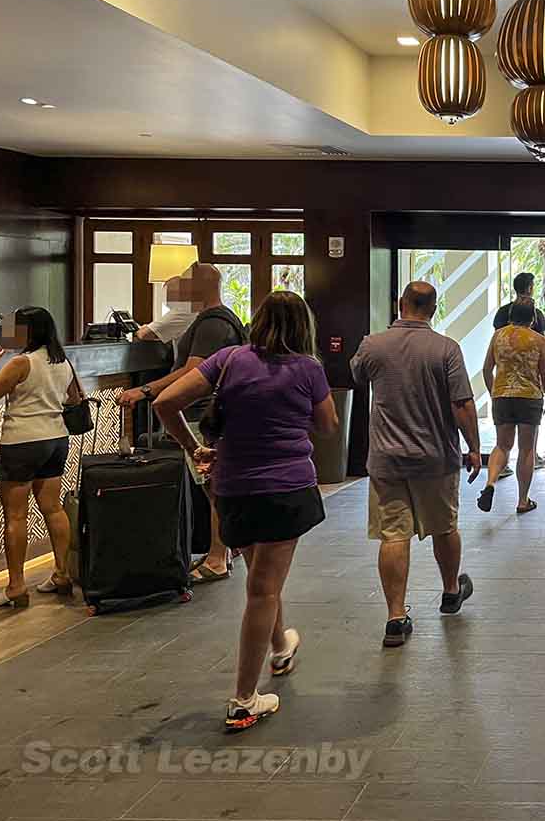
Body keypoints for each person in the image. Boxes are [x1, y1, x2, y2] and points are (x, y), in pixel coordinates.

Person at [155, 291, 338, 730]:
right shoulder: (307, 368)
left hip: (232, 489)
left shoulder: (228, 359)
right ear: (304, 327)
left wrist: (193, 447)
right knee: (262, 589)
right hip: (285, 488)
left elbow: (165, 402)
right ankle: (243, 698)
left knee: (262, 579)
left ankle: (281, 647)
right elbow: (329, 426)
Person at [350, 281, 482, 648]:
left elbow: (357, 376)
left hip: (387, 460)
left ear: (400, 304)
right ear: (434, 309)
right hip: (435, 458)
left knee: (393, 535)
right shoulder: (447, 349)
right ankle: (451, 591)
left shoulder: (372, 345)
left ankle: (395, 617)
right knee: (444, 527)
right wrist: (474, 447)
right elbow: (462, 404)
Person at [117, 263, 246, 584]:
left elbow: (192, 372)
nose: (179, 288)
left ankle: (218, 556)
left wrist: (145, 390)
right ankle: (226, 548)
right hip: (211, 413)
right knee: (215, 485)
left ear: (201, 286)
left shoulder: (212, 325)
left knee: (213, 486)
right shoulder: (221, 320)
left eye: (186, 282)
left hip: (199, 415)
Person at [0, 307, 81, 608]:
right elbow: (74, 399)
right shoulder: (61, 360)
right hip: (56, 439)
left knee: (16, 515)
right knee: (53, 509)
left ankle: (16, 587)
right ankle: (61, 574)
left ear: (28, 332)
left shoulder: (21, 362)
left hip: (21, 442)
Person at [478, 297, 545, 514]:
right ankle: (523, 500)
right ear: (532, 318)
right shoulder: (538, 340)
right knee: (527, 448)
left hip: (502, 395)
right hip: (529, 398)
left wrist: (495, 391)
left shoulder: (498, 336)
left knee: (502, 445)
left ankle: (490, 483)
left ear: (511, 315)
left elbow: (486, 369)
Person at [133, 273, 198, 357]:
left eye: (167, 293)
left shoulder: (183, 310)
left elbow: (145, 334)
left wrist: (143, 328)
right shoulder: (195, 308)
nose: (166, 297)